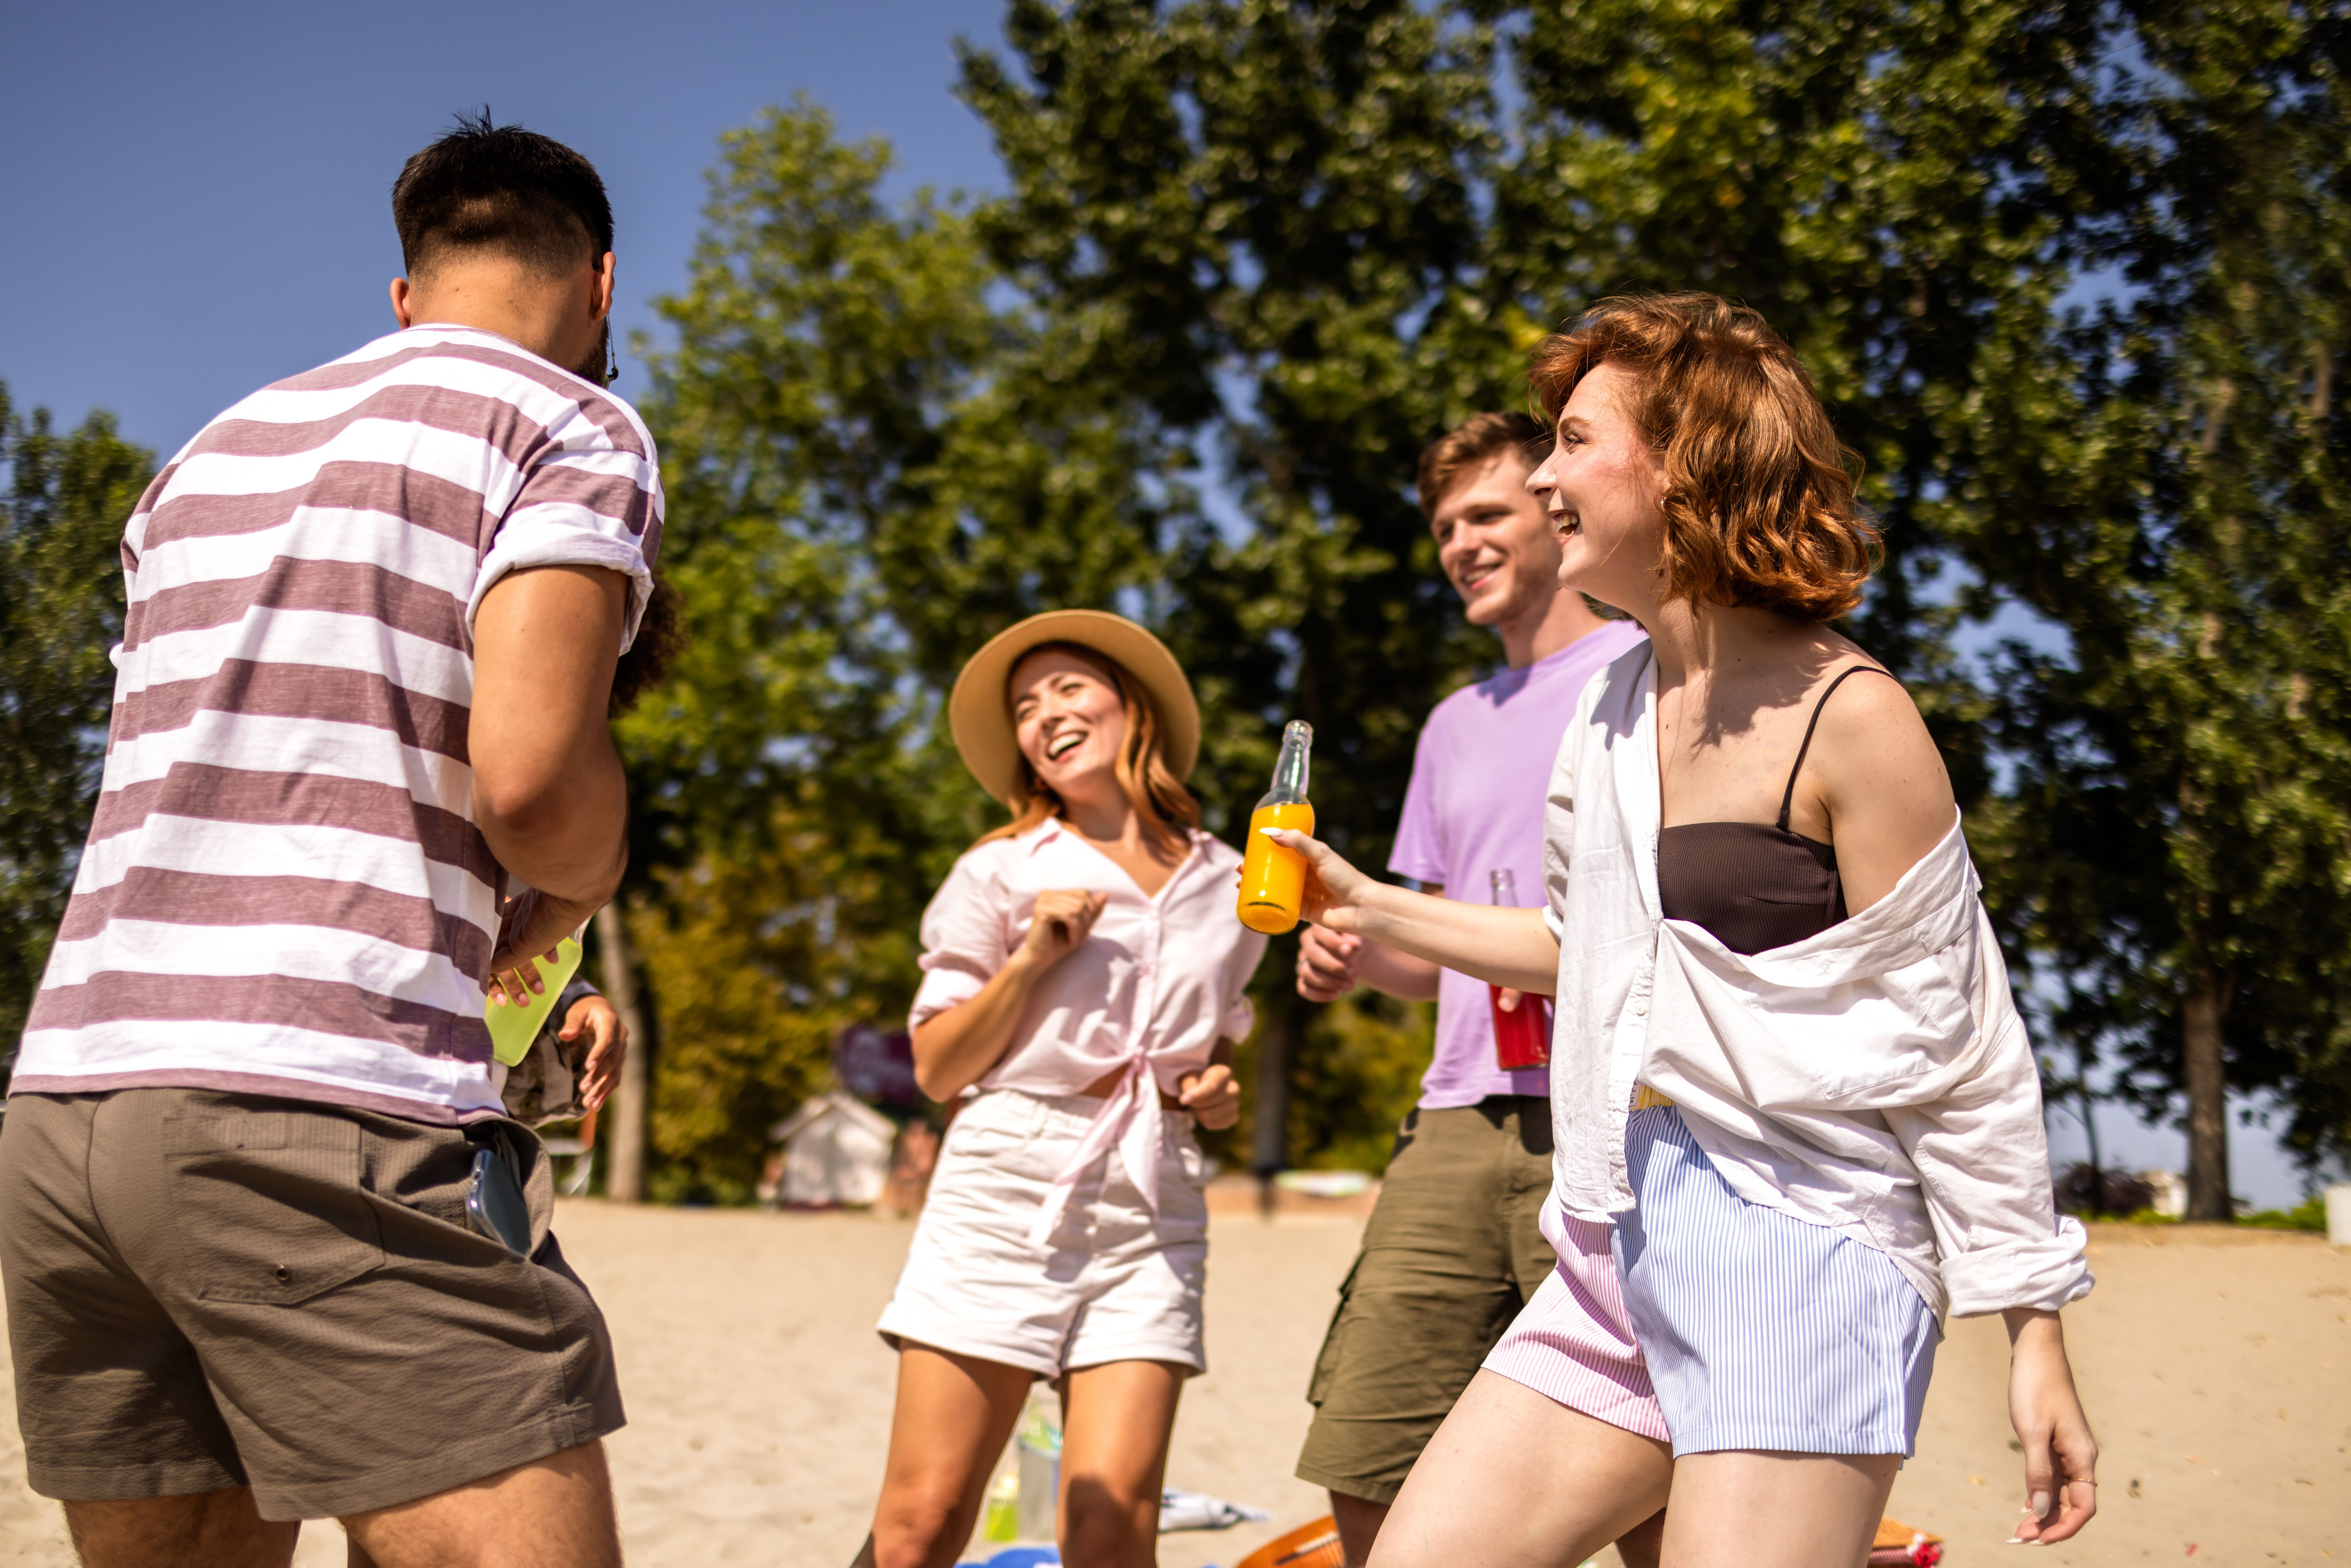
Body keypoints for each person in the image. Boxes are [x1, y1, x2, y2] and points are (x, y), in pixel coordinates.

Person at [1265, 293, 2099, 1567]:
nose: (1544, 475)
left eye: (1576, 440)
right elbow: (1579, 951)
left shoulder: (1852, 715)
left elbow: (1963, 1048)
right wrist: (1363, 900)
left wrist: (2031, 1332)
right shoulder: (1605, 703)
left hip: (1806, 1249)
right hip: (1614, 1242)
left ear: (1690, 463)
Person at [0, 114, 659, 1568]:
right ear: (602, 286)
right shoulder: (567, 423)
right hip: (313, 1107)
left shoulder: (211, 449)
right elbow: (536, 780)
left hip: (70, 1113)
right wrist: (589, 870)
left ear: (405, 294)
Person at [1288, 413, 1652, 1567]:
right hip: (1455, 1117)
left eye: (1485, 514)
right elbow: (1421, 943)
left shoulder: (1642, 671)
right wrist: (1351, 953)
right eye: (1444, 527)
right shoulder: (1450, 725)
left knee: (1650, 1468)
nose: (1460, 543)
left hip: (1612, 1120)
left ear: (1555, 510)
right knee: (1366, 1454)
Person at [856, 611, 1268, 1568]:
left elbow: (1215, 1046)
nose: (1046, 714)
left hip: (1153, 1192)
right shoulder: (999, 872)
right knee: (922, 1524)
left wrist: (1213, 1091)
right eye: (1026, 708)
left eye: (1069, 687)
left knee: (1114, 1520)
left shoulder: (1235, 882)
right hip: (1006, 1183)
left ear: (1133, 708)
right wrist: (1033, 957)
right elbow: (937, 1067)